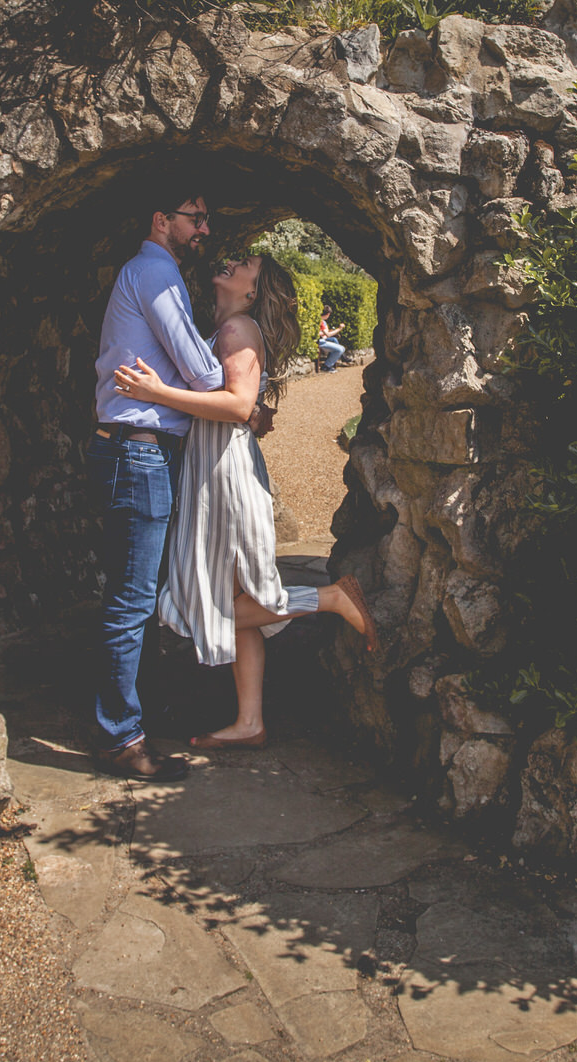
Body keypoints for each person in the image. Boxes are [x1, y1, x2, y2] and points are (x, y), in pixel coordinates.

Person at [113, 254, 379, 750]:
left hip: (224, 475)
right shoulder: (229, 327)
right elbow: (244, 405)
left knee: (204, 606)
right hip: (216, 465)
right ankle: (250, 722)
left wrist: (158, 391)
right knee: (236, 600)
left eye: (245, 265)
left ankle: (329, 598)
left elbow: (235, 404)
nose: (231, 262)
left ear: (251, 292)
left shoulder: (236, 328)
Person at [89, 180, 228, 782]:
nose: (204, 229)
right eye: (195, 217)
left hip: (143, 453)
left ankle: (132, 718)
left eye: (205, 219)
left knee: (143, 595)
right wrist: (230, 374)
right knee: (132, 600)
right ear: (160, 219)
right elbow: (202, 372)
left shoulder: (155, 274)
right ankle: (120, 738)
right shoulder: (155, 274)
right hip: (138, 453)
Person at [317, 302, 346, 372]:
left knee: (335, 341)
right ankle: (326, 366)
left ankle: (329, 364)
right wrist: (339, 328)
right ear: (328, 314)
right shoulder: (321, 321)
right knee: (341, 349)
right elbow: (328, 335)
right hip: (321, 342)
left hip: (321, 340)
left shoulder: (318, 320)